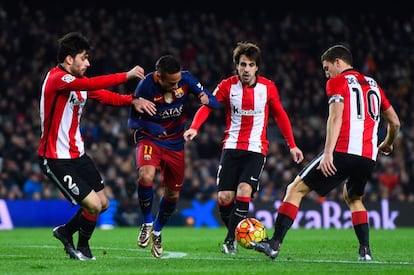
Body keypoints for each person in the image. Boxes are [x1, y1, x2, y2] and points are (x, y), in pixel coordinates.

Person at [250, 44, 401, 261]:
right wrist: (387, 143)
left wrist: (329, 152)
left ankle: (274, 244)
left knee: (295, 189)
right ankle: (365, 251)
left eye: (327, 67)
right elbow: (395, 122)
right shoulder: (373, 85)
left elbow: (336, 117)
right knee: (353, 198)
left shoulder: (336, 82)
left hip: (342, 150)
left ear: (338, 62)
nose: (326, 73)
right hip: (368, 157)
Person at [37, 32, 156, 261]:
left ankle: (64, 232)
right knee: (92, 205)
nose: (88, 63)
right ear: (69, 59)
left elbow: (104, 95)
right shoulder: (57, 79)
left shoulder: (79, 83)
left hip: (77, 155)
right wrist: (126, 75)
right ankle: (82, 248)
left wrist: (132, 99)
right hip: (55, 158)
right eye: (84, 57)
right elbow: (92, 83)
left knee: (103, 204)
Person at [184, 42, 304, 255]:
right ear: (237, 66)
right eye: (242, 64)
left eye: (251, 64)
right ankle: (241, 231)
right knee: (224, 198)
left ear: (257, 67)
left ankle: (230, 240)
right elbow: (207, 106)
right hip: (231, 146)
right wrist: (194, 127)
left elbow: (281, 115)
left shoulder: (268, 88)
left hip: (256, 148)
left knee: (244, 191)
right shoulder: (226, 86)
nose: (246, 69)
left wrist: (292, 145)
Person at [128, 54, 219, 258]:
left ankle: (158, 232)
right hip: (150, 138)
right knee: (146, 175)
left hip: (176, 143)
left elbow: (215, 103)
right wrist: (153, 126)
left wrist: (207, 99)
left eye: (178, 81)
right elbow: (132, 122)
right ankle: (147, 223)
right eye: (172, 82)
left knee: (172, 195)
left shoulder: (186, 79)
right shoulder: (145, 86)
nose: (177, 86)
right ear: (159, 77)